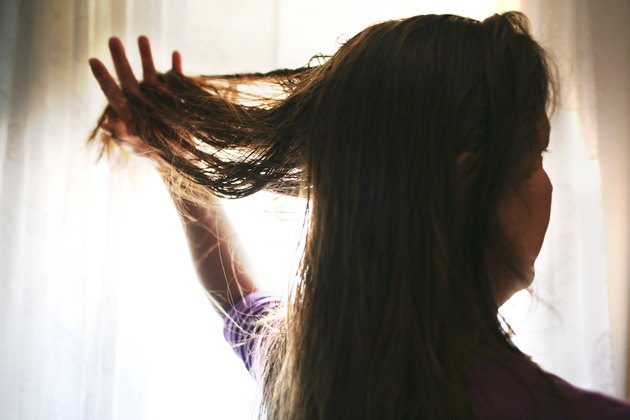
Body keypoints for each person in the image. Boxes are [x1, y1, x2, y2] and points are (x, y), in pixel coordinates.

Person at [89, 11, 630, 419]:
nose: (546, 183)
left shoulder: (314, 372)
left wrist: (172, 160)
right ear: (467, 181)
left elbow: (238, 304)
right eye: (538, 153)